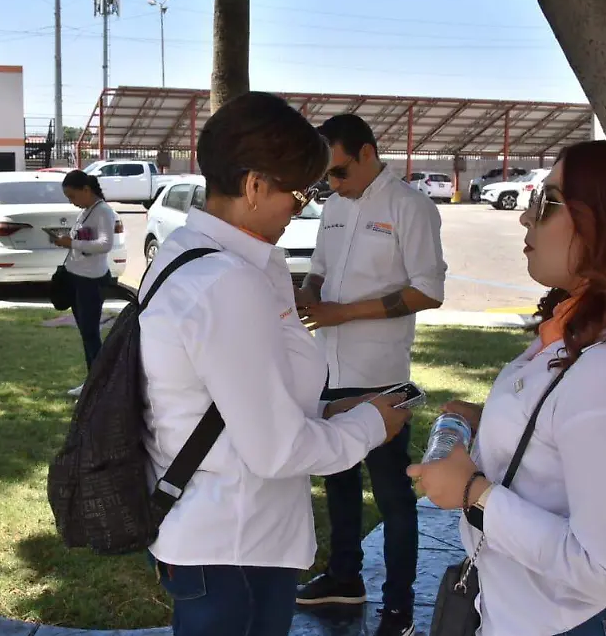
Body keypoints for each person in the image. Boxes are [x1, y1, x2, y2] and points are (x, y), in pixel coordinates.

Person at [407, 140, 606, 636]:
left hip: (576, 621)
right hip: (534, 608)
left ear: (605, 226)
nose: (527, 219)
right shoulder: (582, 333)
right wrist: (488, 422)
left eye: (546, 203)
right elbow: (562, 439)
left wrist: (472, 492)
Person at [140, 91, 413, 636]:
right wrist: (369, 426)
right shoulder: (225, 283)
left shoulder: (206, 256)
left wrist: (335, 411)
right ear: (255, 186)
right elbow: (277, 448)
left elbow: (246, 399)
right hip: (228, 548)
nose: (304, 205)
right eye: (299, 190)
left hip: (238, 536)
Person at [294, 115, 447, 636]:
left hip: (378, 373)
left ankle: (399, 607)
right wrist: (310, 291)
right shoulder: (334, 205)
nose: (331, 185)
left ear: (365, 153)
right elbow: (319, 264)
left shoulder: (411, 207)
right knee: (337, 477)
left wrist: (345, 312)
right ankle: (343, 577)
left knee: (391, 494)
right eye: (325, 178)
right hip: (327, 363)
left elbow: (428, 291)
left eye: (337, 172)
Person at [52, 170, 118, 396]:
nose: (71, 202)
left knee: (90, 334)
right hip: (77, 277)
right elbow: (83, 239)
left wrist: (72, 243)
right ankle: (94, 380)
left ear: (86, 190)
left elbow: (105, 245)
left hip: (91, 281)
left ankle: (99, 383)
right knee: (86, 333)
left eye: (72, 196)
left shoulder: (103, 212)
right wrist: (67, 241)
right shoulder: (88, 211)